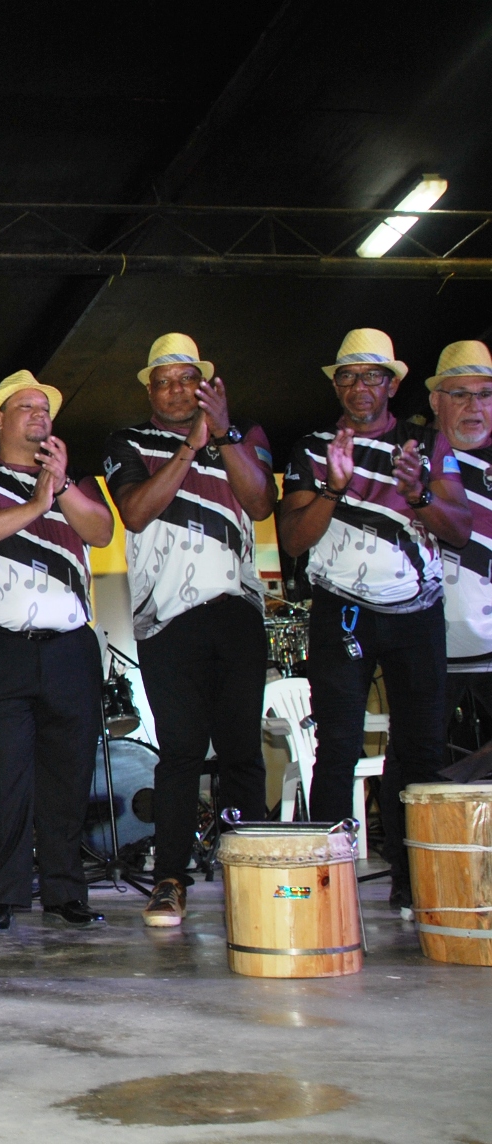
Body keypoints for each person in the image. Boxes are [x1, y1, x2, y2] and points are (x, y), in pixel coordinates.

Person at [277, 329, 469, 914]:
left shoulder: (428, 444)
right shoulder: (312, 447)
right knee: (335, 747)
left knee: (424, 750)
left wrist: (417, 497)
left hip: (417, 614)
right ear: (337, 385)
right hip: (343, 611)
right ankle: (327, 892)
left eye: (371, 376)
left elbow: (459, 528)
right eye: (348, 377)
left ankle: (418, 883)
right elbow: (291, 539)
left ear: (393, 383)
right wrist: (333, 488)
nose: (360, 387)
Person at [102, 334, 276, 928]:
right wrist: (187, 450)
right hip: (167, 619)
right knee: (178, 751)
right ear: (149, 390)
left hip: (237, 613)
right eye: (164, 381)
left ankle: (247, 875)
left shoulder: (245, 433)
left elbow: (260, 504)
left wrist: (222, 437)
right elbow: (133, 512)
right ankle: (170, 879)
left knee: (242, 754)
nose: (176, 389)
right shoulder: (127, 441)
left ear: (205, 382)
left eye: (186, 378)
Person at [0, 371, 114, 933]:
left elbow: (103, 532)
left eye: (45, 408)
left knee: (68, 776)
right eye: (26, 407)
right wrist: (35, 504)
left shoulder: (73, 480)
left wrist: (60, 489)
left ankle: (67, 892)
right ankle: (3, 895)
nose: (40, 415)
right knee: (2, 777)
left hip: (69, 648)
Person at [430, 340, 492, 773]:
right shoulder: (408, 458)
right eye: (460, 394)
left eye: (485, 394)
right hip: (430, 652)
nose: (474, 405)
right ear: (436, 401)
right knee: (423, 768)